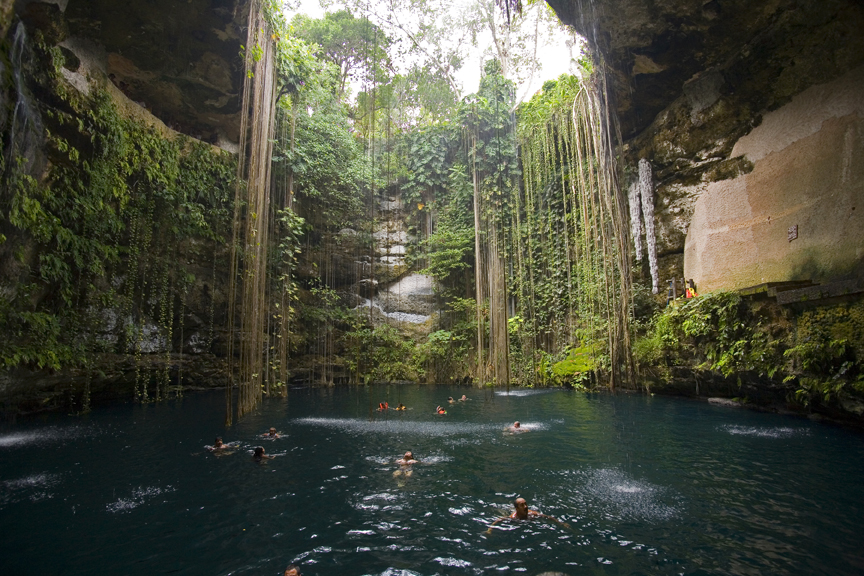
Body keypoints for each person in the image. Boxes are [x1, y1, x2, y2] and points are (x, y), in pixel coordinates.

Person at [486, 497, 570, 533]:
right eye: (522, 505)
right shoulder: (513, 517)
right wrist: (489, 530)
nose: (526, 507)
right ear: (517, 508)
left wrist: (561, 523)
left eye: (526, 504)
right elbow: (499, 520)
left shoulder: (532, 513)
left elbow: (547, 517)